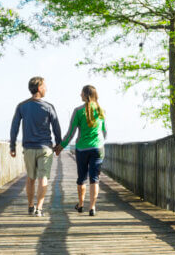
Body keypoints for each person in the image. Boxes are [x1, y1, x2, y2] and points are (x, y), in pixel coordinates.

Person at [10, 76, 62, 217]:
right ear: (39, 88)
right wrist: (59, 145)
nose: (46, 88)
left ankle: (30, 206)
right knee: (43, 177)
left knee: (30, 178)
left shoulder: (22, 106)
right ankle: (39, 208)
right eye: (45, 86)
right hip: (45, 148)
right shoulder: (48, 107)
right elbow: (56, 127)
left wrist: (12, 146)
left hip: (29, 148)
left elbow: (14, 127)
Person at [56, 85, 107, 216]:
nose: (80, 95)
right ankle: (92, 207)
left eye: (81, 93)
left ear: (86, 95)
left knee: (82, 178)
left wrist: (61, 146)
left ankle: (81, 205)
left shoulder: (78, 111)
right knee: (94, 178)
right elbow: (104, 131)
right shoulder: (101, 110)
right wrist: (100, 142)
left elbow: (71, 133)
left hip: (82, 149)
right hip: (98, 148)